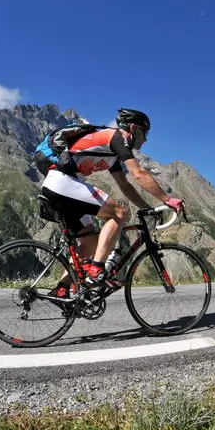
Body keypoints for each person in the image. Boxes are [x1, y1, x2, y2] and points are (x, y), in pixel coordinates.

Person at [40, 108, 185, 296]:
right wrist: (168, 199)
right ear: (134, 128)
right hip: (62, 183)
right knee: (120, 213)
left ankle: (61, 289)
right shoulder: (116, 138)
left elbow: (125, 187)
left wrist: (147, 208)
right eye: (144, 133)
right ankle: (97, 270)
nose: (146, 139)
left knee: (91, 242)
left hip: (60, 188)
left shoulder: (112, 155)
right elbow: (138, 174)